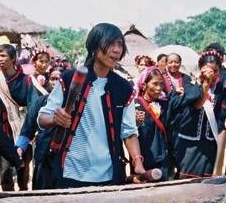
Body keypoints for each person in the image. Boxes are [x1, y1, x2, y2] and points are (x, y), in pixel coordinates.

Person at [37, 22, 145, 188]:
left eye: (120, 45)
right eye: (110, 44)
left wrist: (137, 162)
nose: (116, 50)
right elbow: (42, 118)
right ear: (94, 46)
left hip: (108, 174)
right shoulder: (69, 78)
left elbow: (129, 132)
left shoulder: (124, 88)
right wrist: (55, 119)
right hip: (71, 171)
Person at [0, 43, 42, 191]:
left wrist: (30, 132)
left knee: (23, 172)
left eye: (3, 56)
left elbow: (33, 106)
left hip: (23, 130)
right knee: (4, 172)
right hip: (3, 132)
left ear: (13, 58)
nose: (0, 59)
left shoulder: (26, 81)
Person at [170, 50, 226, 179]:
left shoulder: (219, 91)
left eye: (215, 71)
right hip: (190, 146)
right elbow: (197, 105)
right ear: (201, 69)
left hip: (209, 146)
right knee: (187, 184)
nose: (212, 74)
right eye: (208, 70)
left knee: (205, 186)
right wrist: (205, 84)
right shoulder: (190, 86)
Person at [134, 67, 171, 180]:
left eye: (161, 84)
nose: (159, 88)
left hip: (163, 160)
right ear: (144, 85)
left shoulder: (164, 104)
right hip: (144, 160)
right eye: (155, 84)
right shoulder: (136, 106)